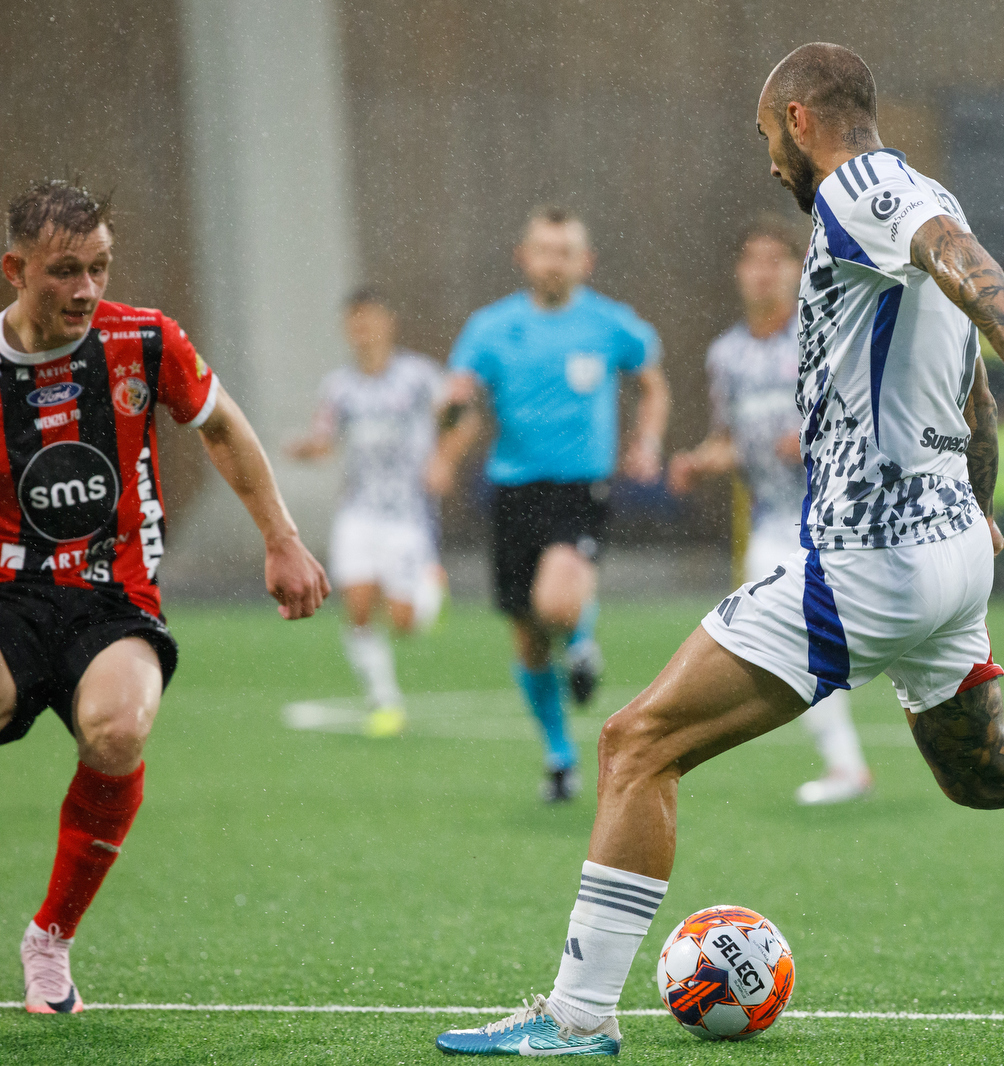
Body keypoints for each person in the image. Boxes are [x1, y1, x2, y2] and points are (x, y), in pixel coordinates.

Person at [435, 44, 1004, 1057]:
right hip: (951, 551)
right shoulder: (917, 191)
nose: (767, 158)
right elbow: (965, 390)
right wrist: (983, 499)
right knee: (984, 770)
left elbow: (964, 263)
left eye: (765, 135)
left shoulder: (866, 190)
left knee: (636, 745)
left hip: (869, 558)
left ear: (799, 120)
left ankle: (577, 1014)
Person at [0, 179, 328, 1014]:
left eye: (99, 269)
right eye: (64, 271)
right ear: (16, 269)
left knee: (118, 726)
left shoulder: (145, 342)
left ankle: (50, 940)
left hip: (116, 597)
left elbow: (222, 426)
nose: (85, 290)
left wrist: (282, 537)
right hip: (10, 595)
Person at [429, 207, 670, 804]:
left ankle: (583, 641)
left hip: (579, 490)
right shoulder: (490, 328)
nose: (554, 261)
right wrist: (449, 428)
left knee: (557, 601)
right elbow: (458, 406)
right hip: (513, 493)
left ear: (584, 262)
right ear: (524, 257)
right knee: (529, 638)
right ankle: (559, 757)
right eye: (544, 249)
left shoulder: (610, 325)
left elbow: (652, 381)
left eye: (565, 251)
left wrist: (647, 441)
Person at [668, 216, 873, 806]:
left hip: (841, 517)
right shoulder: (726, 355)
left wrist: (815, 439)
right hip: (772, 526)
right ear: (740, 272)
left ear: (798, 268)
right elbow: (731, 437)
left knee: (861, 641)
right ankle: (846, 766)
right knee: (802, 644)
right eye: (753, 260)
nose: (764, 273)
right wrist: (699, 462)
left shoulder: (825, 337)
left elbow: (869, 421)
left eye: (776, 260)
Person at [287, 287, 448, 737]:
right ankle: (384, 700)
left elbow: (460, 416)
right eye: (355, 322)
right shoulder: (339, 387)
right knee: (357, 605)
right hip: (358, 512)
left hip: (407, 513)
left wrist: (444, 459)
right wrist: (306, 448)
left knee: (403, 621)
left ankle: (431, 586)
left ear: (388, 322)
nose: (364, 330)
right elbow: (325, 437)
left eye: (371, 319)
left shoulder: (419, 377)